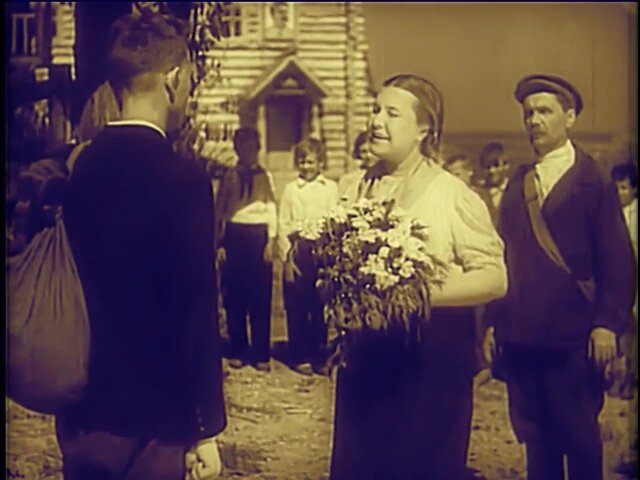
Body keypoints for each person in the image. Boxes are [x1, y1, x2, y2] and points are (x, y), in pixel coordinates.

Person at [58, 13, 226, 480]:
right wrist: (206, 428)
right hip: (156, 419)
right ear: (173, 79)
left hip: (82, 407)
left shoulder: (79, 168)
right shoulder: (184, 180)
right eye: (189, 77)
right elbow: (196, 306)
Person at [332, 74, 508, 479]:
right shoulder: (355, 188)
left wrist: (416, 290)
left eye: (392, 113)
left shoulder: (452, 195)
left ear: (423, 129)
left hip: (431, 367)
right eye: (375, 110)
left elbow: (495, 277)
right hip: (366, 358)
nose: (376, 121)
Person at [483, 74, 636, 480]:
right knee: (537, 442)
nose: (534, 120)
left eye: (545, 111)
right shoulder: (518, 183)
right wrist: (494, 321)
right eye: (528, 113)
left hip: (574, 338)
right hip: (523, 336)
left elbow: (617, 259)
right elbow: (501, 256)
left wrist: (607, 324)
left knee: (581, 438)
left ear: (569, 117)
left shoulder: (594, 180)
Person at [216, 127, 277, 372]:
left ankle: (261, 352)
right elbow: (220, 209)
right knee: (235, 295)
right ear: (236, 148)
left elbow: (271, 209)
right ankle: (238, 349)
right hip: (235, 234)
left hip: (258, 235)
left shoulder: (266, 176)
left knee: (260, 294)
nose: (247, 150)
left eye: (252, 146)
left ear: (258, 148)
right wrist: (220, 243)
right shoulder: (229, 175)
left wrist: (271, 240)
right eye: (242, 146)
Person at [278, 137, 339, 376]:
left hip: (323, 250)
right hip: (298, 249)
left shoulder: (330, 188)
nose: (306, 166)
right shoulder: (291, 190)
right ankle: (300, 354)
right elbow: (283, 223)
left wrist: (333, 253)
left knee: (319, 304)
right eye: (302, 162)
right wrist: (287, 257)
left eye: (311, 162)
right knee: (298, 304)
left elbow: (336, 217)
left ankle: (319, 354)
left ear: (321, 162)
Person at [475, 142, 509, 226]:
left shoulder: (516, 191)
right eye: (487, 167)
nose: (492, 171)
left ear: (506, 165)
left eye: (496, 165)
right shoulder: (477, 195)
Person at [338, 130, 378, 198]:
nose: (369, 155)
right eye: (364, 151)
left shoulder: (389, 180)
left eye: (372, 151)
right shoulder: (347, 180)